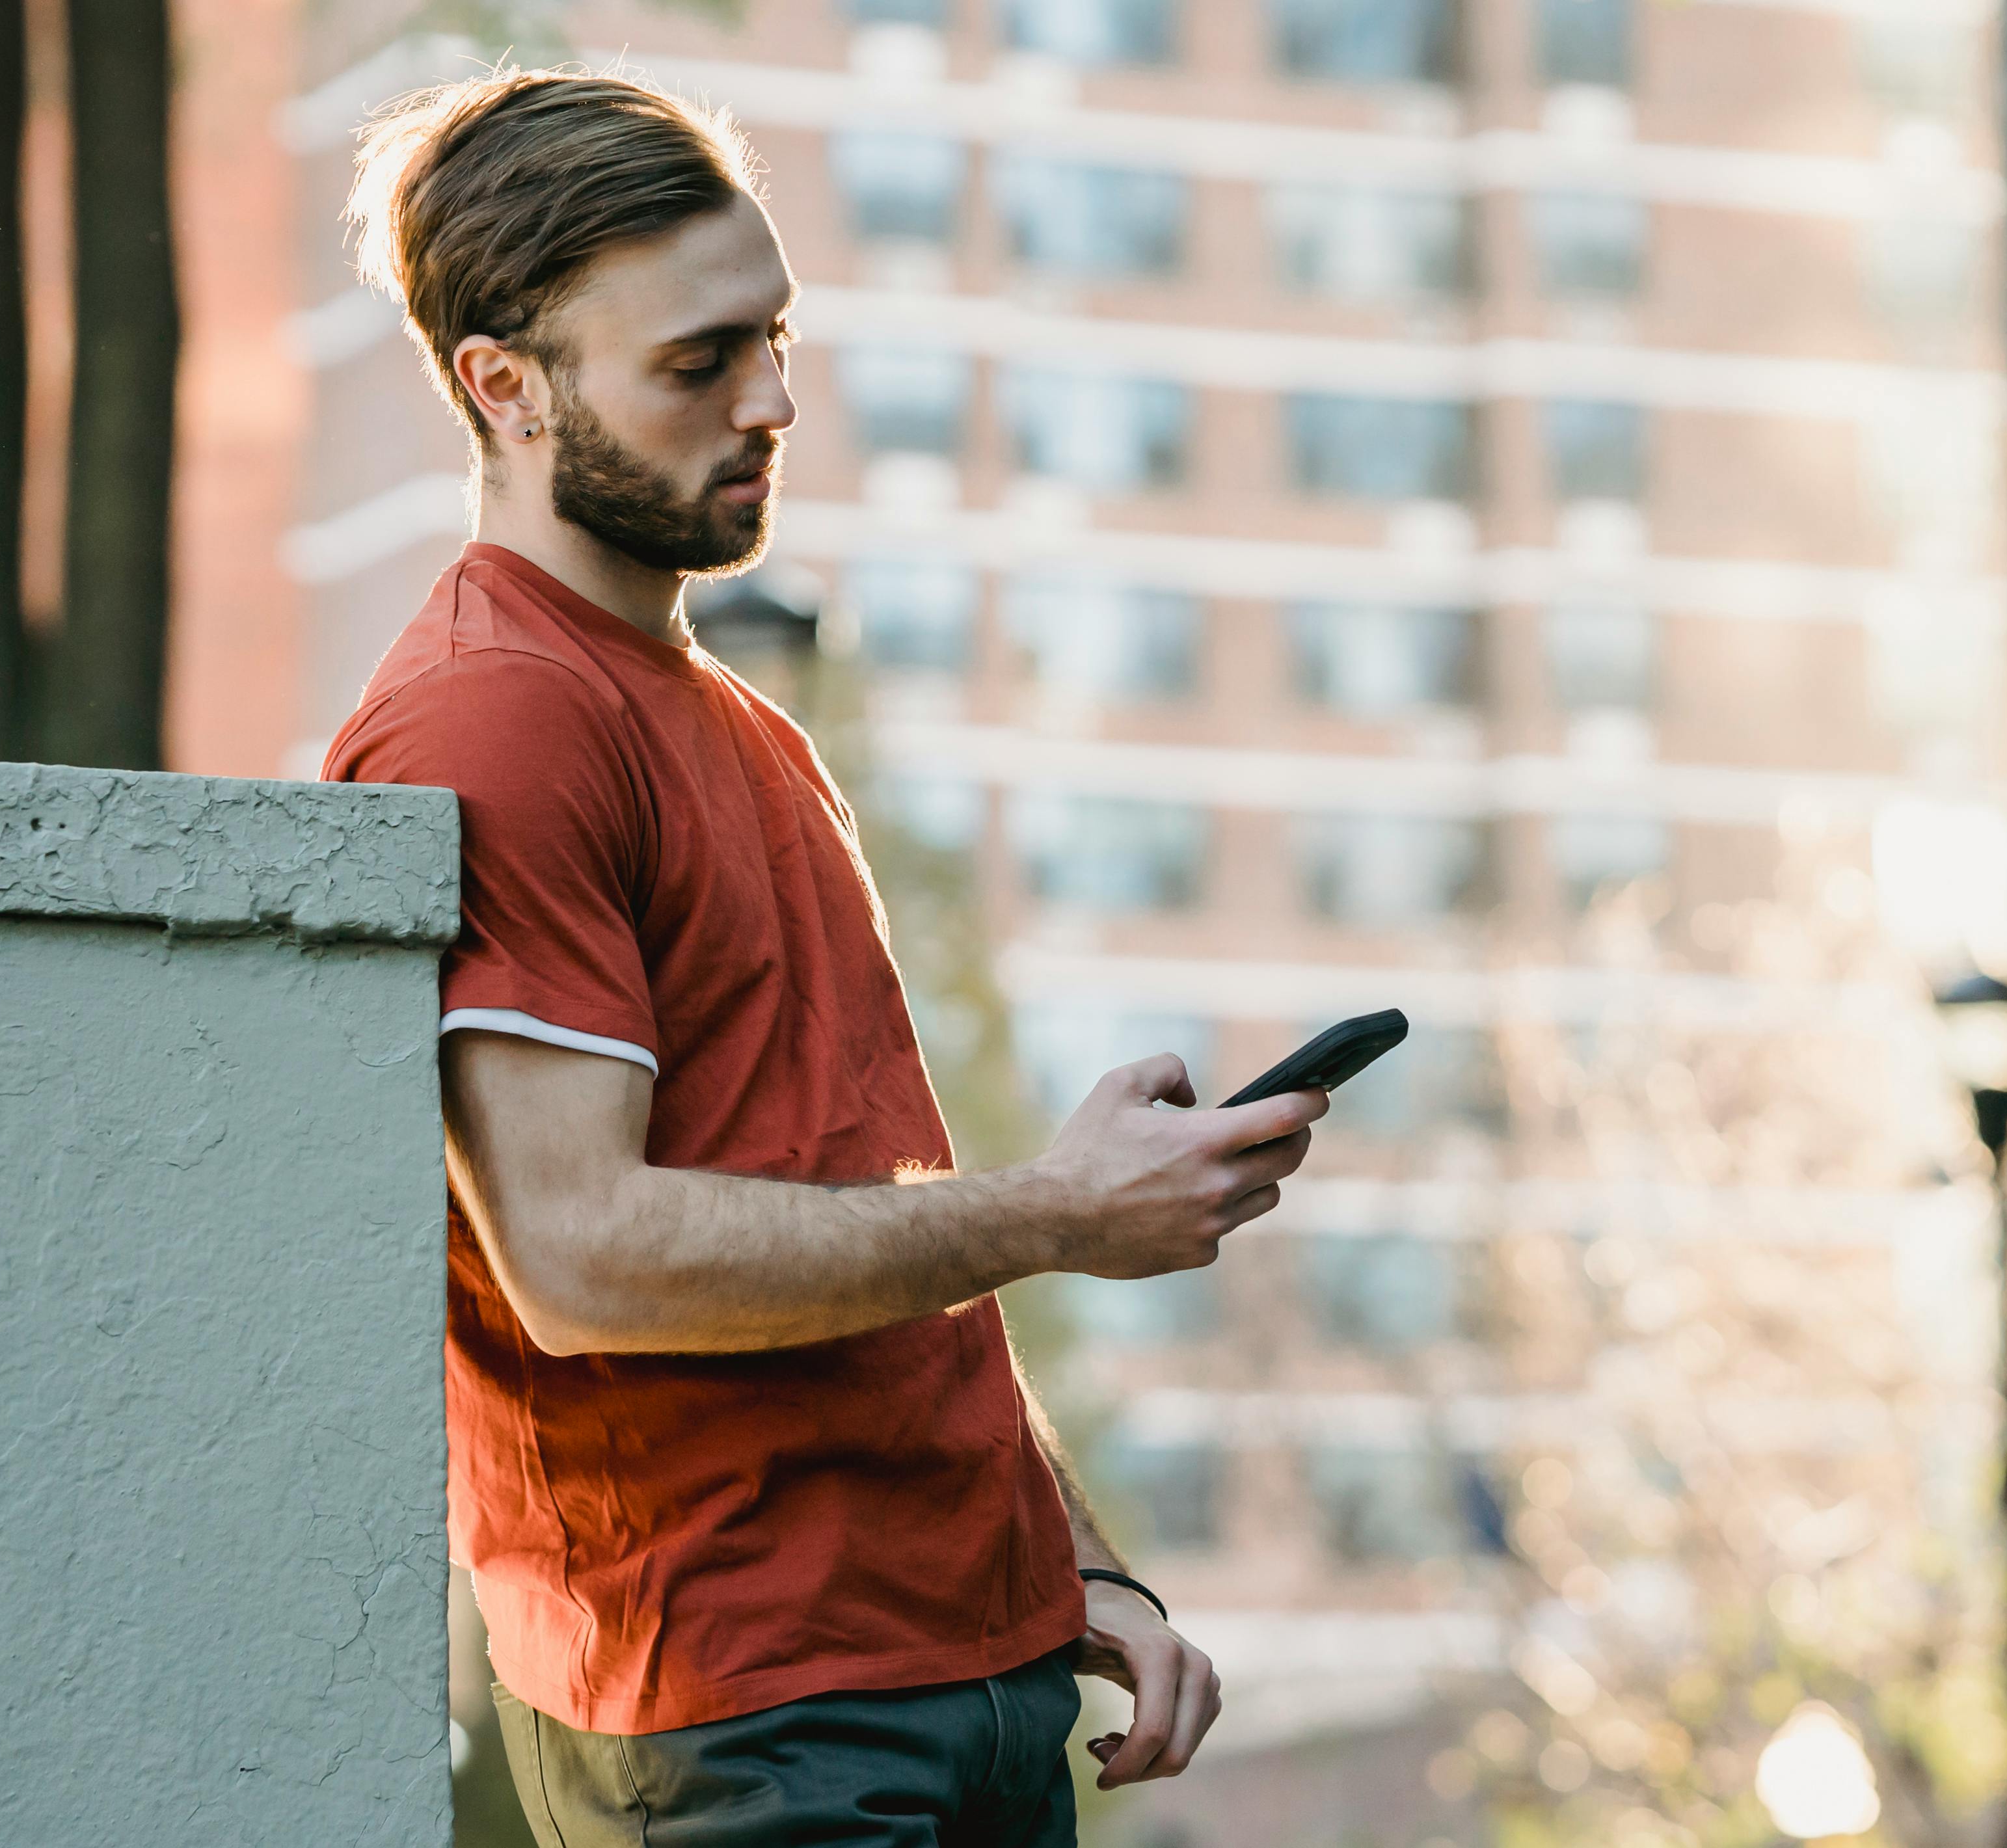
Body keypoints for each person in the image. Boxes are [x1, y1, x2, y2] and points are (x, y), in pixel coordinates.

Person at [326, 67, 1327, 1848]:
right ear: (504, 385)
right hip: (744, 1713)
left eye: (774, 336)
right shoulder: (493, 719)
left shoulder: (745, 730)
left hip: (968, 1664)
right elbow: (579, 1255)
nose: (773, 399)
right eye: (698, 363)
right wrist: (1057, 1210)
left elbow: (847, 1206)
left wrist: (1076, 1557)